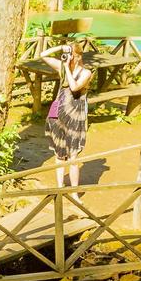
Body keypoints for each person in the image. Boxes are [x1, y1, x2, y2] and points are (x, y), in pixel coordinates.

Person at [39, 42, 93, 187]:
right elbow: (42, 55)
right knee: (59, 154)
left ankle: (74, 193)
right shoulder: (62, 67)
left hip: (75, 116)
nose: (69, 58)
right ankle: (59, 187)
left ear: (78, 56)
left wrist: (69, 69)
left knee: (73, 157)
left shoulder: (86, 73)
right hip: (58, 113)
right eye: (68, 55)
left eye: (72, 55)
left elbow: (74, 87)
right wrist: (61, 48)